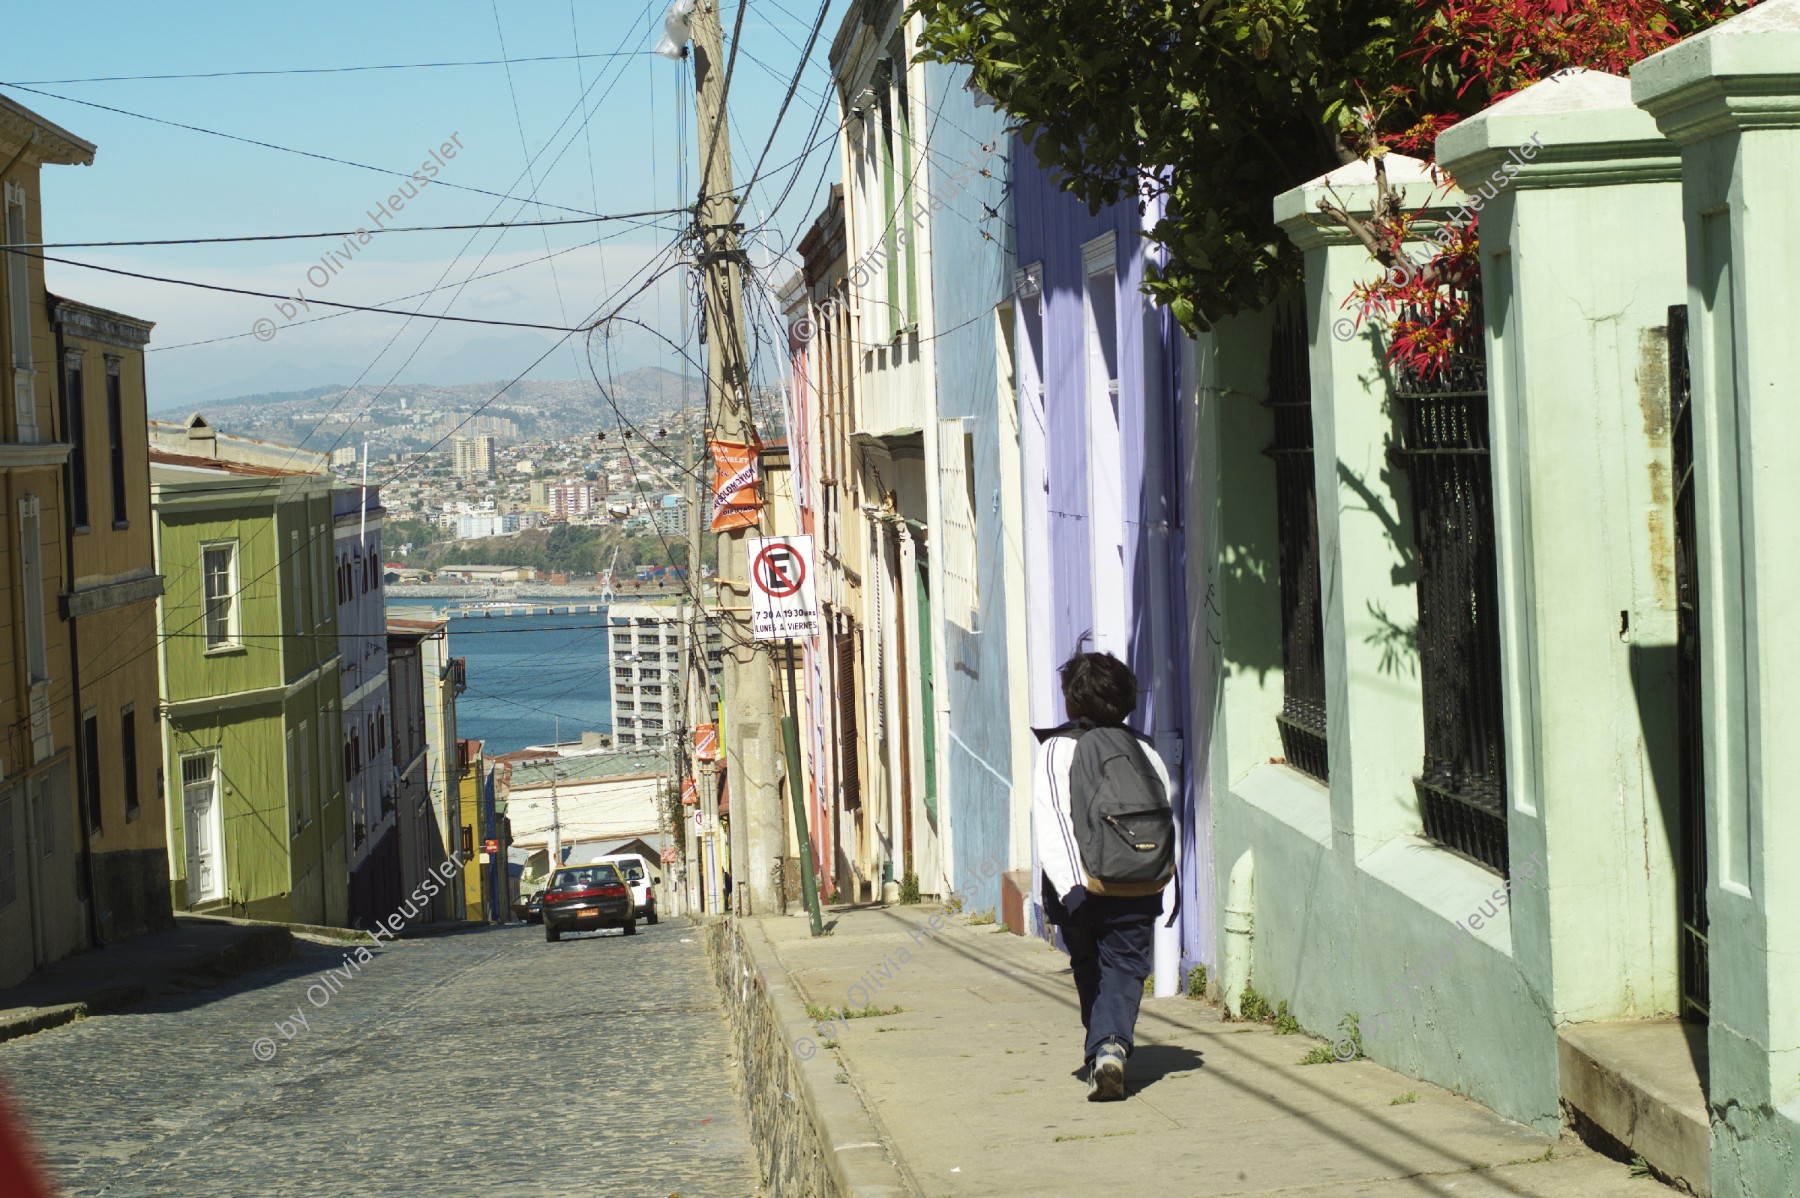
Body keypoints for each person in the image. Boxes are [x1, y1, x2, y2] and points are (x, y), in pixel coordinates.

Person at [1033, 650, 1173, 1101]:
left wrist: (1072, 886)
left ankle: (1104, 1048)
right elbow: (1163, 816)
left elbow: (1054, 816)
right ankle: (1109, 1047)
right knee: (1126, 966)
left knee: (1089, 963)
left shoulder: (1058, 747)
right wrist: (1164, 875)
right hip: (1139, 882)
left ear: (1071, 704)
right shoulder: (1145, 749)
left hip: (1081, 886)